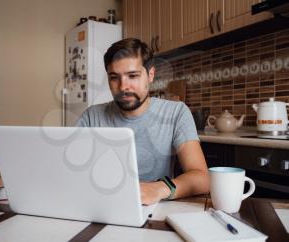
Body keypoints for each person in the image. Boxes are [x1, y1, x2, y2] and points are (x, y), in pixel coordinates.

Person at [76, 38, 209, 205]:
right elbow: (73, 173)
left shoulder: (176, 113)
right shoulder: (91, 117)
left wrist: (159, 189)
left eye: (133, 76)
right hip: (102, 205)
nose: (123, 86)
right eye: (114, 77)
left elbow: (202, 178)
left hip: (155, 208)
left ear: (150, 75)